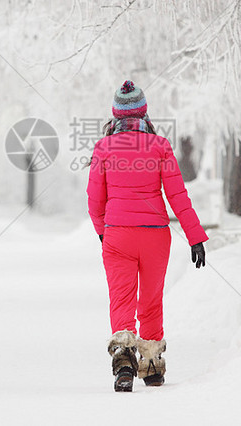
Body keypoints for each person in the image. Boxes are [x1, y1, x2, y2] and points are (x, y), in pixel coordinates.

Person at [86, 80, 208, 392]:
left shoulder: (103, 148)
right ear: (143, 111)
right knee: (151, 301)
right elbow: (178, 196)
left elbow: (94, 201)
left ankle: (124, 360)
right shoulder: (160, 146)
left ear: (115, 114)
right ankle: (152, 365)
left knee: (121, 299)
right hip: (155, 236)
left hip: (118, 235)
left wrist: (104, 232)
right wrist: (195, 237)